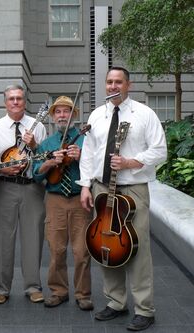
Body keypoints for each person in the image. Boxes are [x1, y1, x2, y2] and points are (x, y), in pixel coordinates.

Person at [78, 66, 167, 331]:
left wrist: (132, 161)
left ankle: (145, 309)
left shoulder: (144, 114)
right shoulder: (97, 115)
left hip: (133, 189)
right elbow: (88, 153)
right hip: (102, 188)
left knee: (136, 250)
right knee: (106, 247)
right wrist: (85, 186)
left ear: (128, 85)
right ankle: (116, 302)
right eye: (109, 82)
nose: (113, 86)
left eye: (118, 82)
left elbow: (160, 150)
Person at [0, 84, 47, 304]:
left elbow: (44, 158)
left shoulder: (37, 126)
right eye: (11, 98)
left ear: (24, 101)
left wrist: (35, 145)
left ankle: (33, 286)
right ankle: (1, 288)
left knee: (33, 236)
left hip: (32, 187)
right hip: (4, 186)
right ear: (5, 102)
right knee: (2, 237)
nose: (15, 102)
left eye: (19, 98)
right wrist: (2, 168)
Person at [32, 96, 93, 310]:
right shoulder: (47, 143)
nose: (62, 115)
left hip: (80, 199)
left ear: (73, 115)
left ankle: (83, 294)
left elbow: (96, 168)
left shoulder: (85, 139)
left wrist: (82, 156)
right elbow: (36, 174)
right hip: (55, 199)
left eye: (66, 111)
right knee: (56, 249)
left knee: (81, 250)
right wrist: (50, 162)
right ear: (53, 117)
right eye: (58, 112)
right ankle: (58, 291)